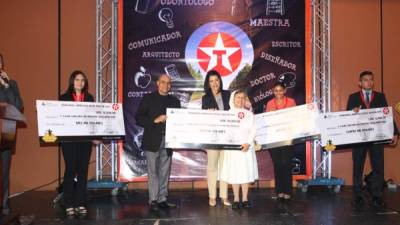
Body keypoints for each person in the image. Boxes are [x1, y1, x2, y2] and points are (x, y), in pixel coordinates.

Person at [347, 70, 399, 210]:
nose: (368, 82)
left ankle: (377, 197)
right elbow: (346, 117)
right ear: (360, 83)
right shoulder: (353, 97)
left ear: (373, 82)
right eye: (365, 80)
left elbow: (387, 115)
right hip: (359, 137)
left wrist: (395, 132)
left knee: (378, 167)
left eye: (371, 79)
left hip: (377, 138)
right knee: (357, 167)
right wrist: (352, 112)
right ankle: (357, 196)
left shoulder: (381, 96)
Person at [135, 74, 181, 212]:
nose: (166, 85)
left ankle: (162, 199)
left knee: (164, 172)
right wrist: (154, 120)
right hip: (152, 141)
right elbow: (138, 118)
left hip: (168, 141)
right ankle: (153, 200)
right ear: (157, 83)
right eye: (163, 82)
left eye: (168, 83)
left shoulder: (175, 101)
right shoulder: (148, 98)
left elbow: (179, 122)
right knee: (153, 172)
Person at [59, 70, 96, 217]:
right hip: (68, 140)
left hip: (85, 140)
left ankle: (80, 202)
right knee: (70, 169)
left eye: (82, 80)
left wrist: (95, 136)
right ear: (72, 81)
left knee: (82, 171)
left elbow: (93, 118)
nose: (80, 82)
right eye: (77, 79)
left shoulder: (89, 98)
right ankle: (68, 202)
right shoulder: (64, 98)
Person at [219, 90, 258, 209]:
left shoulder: (250, 114)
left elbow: (253, 130)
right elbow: (224, 131)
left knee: (245, 173)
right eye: (237, 97)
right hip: (233, 150)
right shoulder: (227, 114)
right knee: (235, 173)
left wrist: (248, 143)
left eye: (242, 98)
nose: (240, 100)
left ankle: (245, 199)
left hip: (246, 148)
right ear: (233, 99)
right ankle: (236, 199)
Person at [201, 70, 231, 207]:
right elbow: (203, 119)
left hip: (227, 137)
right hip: (212, 136)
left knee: (224, 167)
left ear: (220, 81)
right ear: (208, 83)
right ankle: (212, 196)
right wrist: (208, 114)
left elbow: (234, 112)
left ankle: (224, 196)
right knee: (212, 167)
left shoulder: (228, 95)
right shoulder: (205, 98)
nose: (214, 83)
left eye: (217, 80)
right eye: (211, 81)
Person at [265, 81, 296, 202]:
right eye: (276, 90)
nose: (278, 92)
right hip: (274, 139)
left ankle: (287, 191)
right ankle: (279, 191)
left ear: (285, 90)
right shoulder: (270, 103)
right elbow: (266, 121)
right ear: (273, 91)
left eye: (280, 90)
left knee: (286, 164)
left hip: (288, 137)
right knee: (277, 164)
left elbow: (295, 118)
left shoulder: (291, 102)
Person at [0, 53, 23, 215]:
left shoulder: (11, 84)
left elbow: (18, 105)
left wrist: (7, 86)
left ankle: (4, 203)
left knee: (4, 169)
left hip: (5, 130)